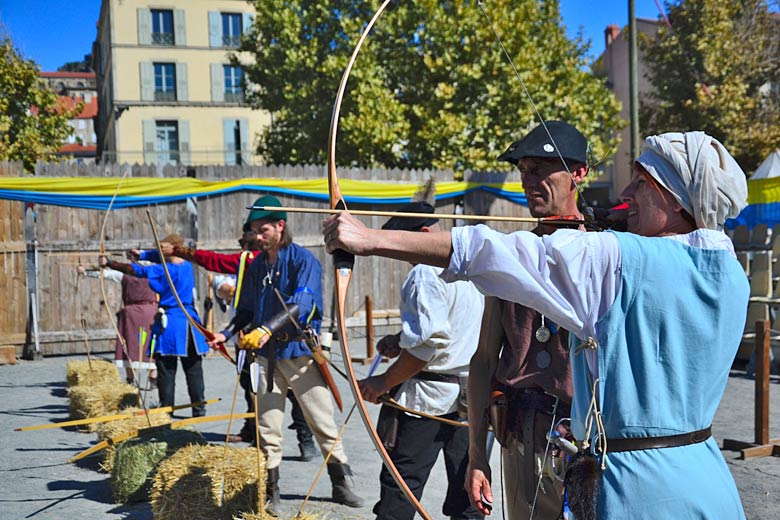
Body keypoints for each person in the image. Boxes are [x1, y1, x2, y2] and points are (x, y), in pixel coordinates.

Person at [323, 130, 748, 519]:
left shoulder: (615, 258)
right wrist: (477, 453)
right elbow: (487, 350)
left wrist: (371, 239)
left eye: (640, 182)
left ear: (675, 198)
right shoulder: (728, 269)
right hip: (703, 477)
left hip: (637, 485)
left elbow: (486, 251)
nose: (624, 192)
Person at [210, 196, 364, 515]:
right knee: (268, 427)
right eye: (254, 230)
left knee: (322, 422)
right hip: (265, 357)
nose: (257, 236)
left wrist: (266, 329)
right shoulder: (255, 265)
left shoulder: (304, 261)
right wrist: (224, 334)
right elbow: (247, 309)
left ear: (280, 226)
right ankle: (272, 492)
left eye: (263, 229)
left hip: (298, 352)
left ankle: (341, 483)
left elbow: (303, 304)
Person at [465, 121, 587, 519]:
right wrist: (476, 455)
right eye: (523, 171)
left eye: (540, 169)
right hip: (520, 435)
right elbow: (484, 360)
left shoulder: (608, 254)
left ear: (578, 173)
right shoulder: (510, 258)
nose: (528, 181)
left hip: (586, 439)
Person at [156, 207, 318, 460]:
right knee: (251, 384)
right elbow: (212, 261)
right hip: (252, 336)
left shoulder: (277, 260)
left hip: (284, 335)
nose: (250, 243)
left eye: (254, 237)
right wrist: (177, 252)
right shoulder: (248, 262)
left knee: (295, 391)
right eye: (249, 238)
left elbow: (303, 300)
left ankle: (305, 439)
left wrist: (179, 251)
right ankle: (253, 430)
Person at [357, 201, 485, 520]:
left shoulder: (425, 273)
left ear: (424, 234)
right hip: (473, 398)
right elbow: (452, 331)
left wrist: (381, 382)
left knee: (401, 489)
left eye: (403, 244)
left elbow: (425, 349)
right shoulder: (469, 265)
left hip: (428, 403)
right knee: (467, 494)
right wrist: (399, 342)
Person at [99, 234, 209, 417]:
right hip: (190, 321)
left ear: (172, 248)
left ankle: (166, 409)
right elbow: (159, 257)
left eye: (162, 247)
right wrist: (142, 255)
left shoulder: (165, 270)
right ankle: (199, 409)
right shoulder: (187, 264)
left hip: (172, 322)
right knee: (193, 368)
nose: (159, 251)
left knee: (166, 369)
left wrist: (110, 263)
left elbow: (134, 270)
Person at [78, 264, 159, 388]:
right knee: (147, 344)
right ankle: (152, 378)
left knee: (131, 346)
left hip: (131, 314)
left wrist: (85, 271)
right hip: (149, 313)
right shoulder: (155, 273)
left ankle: (131, 380)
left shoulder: (125, 275)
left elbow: (105, 274)